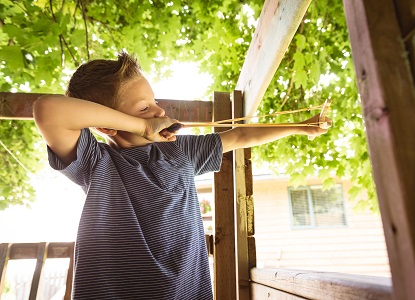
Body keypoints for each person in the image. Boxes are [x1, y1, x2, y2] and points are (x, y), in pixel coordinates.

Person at [33, 52, 331, 299]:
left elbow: (239, 136)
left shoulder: (179, 151)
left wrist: (301, 126)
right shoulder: (95, 161)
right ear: (106, 125)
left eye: (154, 101)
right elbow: (47, 109)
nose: (158, 109)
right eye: (144, 107)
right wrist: (140, 126)